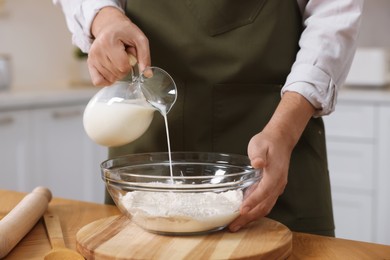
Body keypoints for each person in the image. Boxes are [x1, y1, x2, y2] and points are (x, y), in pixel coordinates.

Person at [54, 0, 363, 236]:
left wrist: (284, 129)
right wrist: (104, 18)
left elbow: (333, 18)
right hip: (148, 153)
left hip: (274, 140)